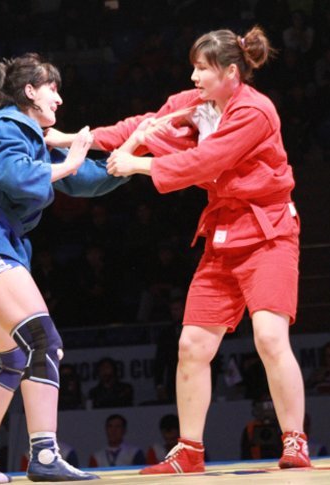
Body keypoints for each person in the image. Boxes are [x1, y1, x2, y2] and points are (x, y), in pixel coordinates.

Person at [47, 26, 310, 472]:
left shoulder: (256, 112)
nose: (193, 77)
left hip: (269, 232)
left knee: (268, 337)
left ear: (230, 72)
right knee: (190, 346)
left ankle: (294, 442)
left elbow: (204, 163)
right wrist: (70, 139)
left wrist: (139, 164)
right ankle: (189, 451)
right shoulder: (196, 103)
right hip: (223, 232)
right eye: (193, 67)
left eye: (202, 69)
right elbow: (142, 125)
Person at [0, 53, 128, 484]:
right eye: (51, 88)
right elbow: (18, 178)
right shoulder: (5, 124)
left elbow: (84, 181)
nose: (59, 97)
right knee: (44, 342)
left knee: (14, 357)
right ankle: (44, 454)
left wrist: (131, 159)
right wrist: (70, 160)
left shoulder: (28, 135)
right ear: (29, 92)